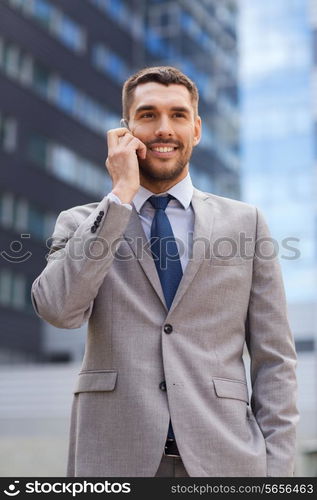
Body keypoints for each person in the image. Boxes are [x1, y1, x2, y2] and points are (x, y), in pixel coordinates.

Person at [31, 66, 298, 477]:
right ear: (126, 129)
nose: (163, 129)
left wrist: (278, 473)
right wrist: (120, 196)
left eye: (177, 115)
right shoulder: (81, 222)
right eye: (148, 114)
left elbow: (275, 360)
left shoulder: (247, 224)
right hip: (114, 460)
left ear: (197, 128)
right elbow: (57, 308)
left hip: (226, 460)